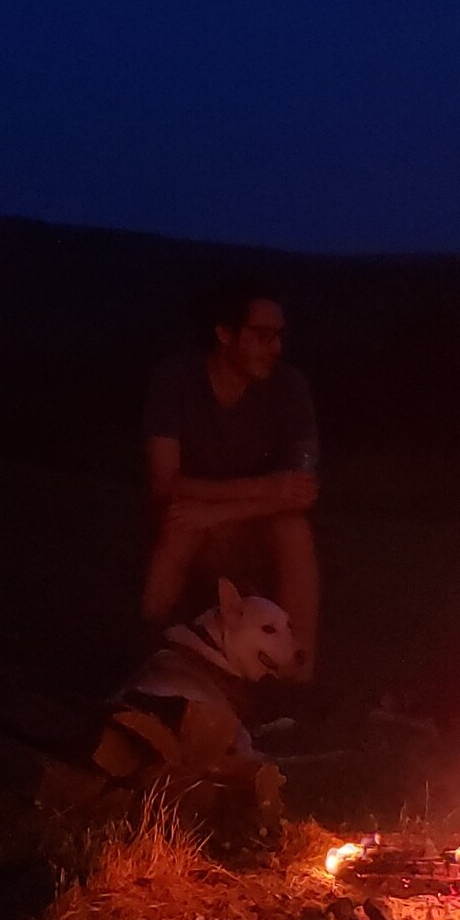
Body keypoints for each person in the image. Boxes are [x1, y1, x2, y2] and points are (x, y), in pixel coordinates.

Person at [141, 280, 320, 677]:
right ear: (224, 334)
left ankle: (298, 676)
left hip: (248, 526)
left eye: (279, 336)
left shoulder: (290, 388)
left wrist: (218, 513)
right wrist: (262, 488)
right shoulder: (177, 380)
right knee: (179, 523)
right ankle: (146, 654)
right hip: (195, 524)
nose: (275, 348)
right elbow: (164, 481)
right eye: (262, 336)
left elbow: (301, 491)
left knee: (293, 528)